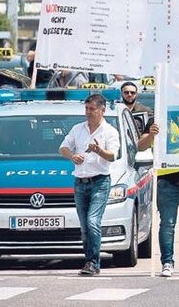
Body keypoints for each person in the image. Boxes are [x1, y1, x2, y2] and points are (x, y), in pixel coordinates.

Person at [58, 94, 121, 276]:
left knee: (93, 222)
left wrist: (99, 150)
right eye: (86, 109)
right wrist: (72, 156)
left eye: (92, 109)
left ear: (102, 110)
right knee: (85, 227)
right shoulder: (78, 129)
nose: (88, 113)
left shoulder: (110, 132)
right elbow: (63, 147)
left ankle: (94, 263)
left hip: (99, 182)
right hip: (80, 182)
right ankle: (89, 261)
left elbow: (113, 156)